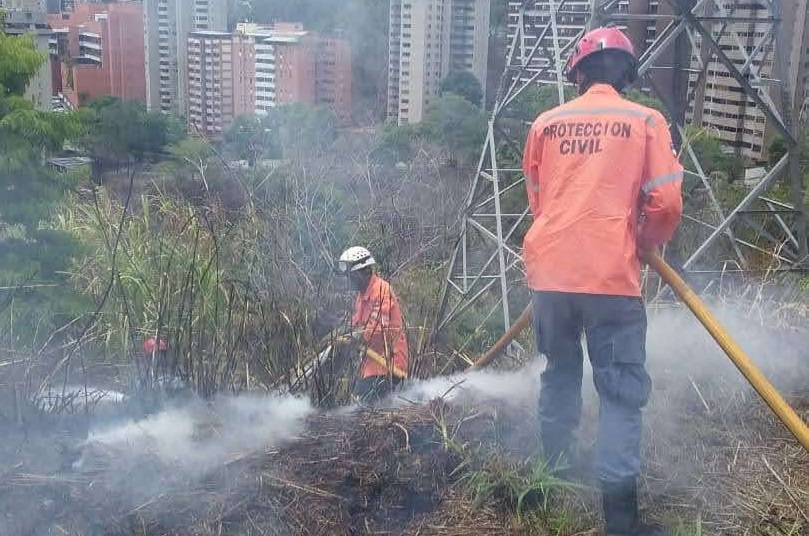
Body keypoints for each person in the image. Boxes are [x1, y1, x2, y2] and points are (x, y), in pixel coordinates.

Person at [521, 27, 683, 536]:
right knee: (618, 392)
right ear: (627, 76)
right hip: (612, 278)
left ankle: (556, 473)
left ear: (579, 74)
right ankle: (621, 522)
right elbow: (667, 204)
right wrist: (641, 240)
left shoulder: (546, 123)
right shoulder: (644, 120)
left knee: (560, 371)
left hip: (550, 274)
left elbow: (540, 202)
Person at [336, 246, 409, 405]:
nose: (349, 281)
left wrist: (355, 335)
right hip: (372, 365)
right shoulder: (362, 294)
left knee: (367, 404)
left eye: (351, 276)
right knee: (360, 399)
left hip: (389, 365)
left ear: (364, 272)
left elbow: (376, 331)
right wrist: (339, 329)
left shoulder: (382, 290)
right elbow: (357, 322)